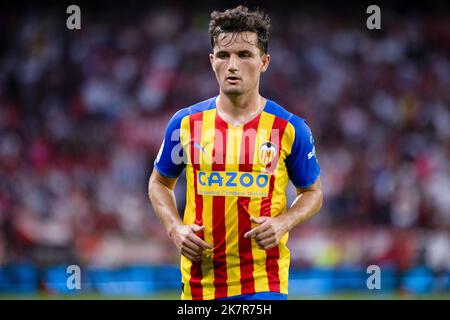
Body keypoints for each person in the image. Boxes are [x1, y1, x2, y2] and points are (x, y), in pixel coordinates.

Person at [148, 5, 323, 300]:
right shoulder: (185, 124)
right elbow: (159, 183)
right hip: (199, 284)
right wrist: (175, 228)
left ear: (264, 62)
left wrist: (283, 222)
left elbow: (313, 192)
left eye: (244, 55)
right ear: (211, 60)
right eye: (224, 55)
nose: (232, 65)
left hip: (263, 283)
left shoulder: (290, 128)